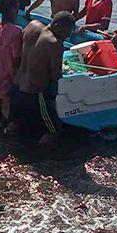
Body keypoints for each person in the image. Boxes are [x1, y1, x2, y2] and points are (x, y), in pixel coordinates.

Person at [10, 11, 76, 144]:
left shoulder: (32, 26)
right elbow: (55, 75)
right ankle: (39, 154)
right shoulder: (55, 43)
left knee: (17, 122)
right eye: (68, 31)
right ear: (56, 25)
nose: (69, 36)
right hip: (35, 94)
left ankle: (9, 142)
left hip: (16, 87)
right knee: (54, 130)